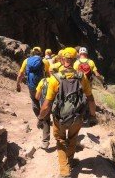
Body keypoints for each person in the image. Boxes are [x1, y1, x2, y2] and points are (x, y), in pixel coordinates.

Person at [38, 47, 97, 178]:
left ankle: (64, 172)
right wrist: (93, 116)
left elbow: (46, 105)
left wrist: (41, 118)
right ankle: (69, 161)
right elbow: (91, 99)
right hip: (77, 116)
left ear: (62, 60)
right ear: (75, 60)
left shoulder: (55, 79)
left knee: (60, 140)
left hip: (60, 118)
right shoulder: (82, 78)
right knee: (72, 139)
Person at [16, 47, 50, 117]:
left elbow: (20, 74)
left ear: (32, 52)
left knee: (34, 100)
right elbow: (48, 74)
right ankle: (45, 118)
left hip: (31, 84)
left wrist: (18, 84)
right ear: (40, 53)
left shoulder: (26, 60)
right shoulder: (45, 61)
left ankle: (39, 117)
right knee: (44, 100)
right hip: (42, 84)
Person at [35, 77, 51, 149]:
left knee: (46, 121)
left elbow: (37, 97)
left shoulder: (43, 81)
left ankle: (45, 142)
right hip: (58, 105)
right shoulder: (61, 80)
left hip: (46, 104)